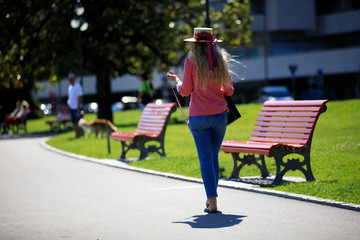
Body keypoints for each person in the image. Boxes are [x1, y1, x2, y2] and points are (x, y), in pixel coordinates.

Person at [167, 27, 234, 213]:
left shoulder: (190, 61)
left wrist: (177, 81)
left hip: (198, 117)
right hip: (220, 115)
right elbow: (229, 91)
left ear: (195, 45)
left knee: (205, 158)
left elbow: (185, 91)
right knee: (213, 157)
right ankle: (211, 200)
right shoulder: (221, 60)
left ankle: (212, 202)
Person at [67, 73, 83, 138]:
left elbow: (79, 97)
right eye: (69, 79)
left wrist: (78, 108)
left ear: (74, 79)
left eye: (71, 79)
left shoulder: (78, 86)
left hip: (77, 107)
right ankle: (77, 134)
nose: (70, 81)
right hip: (71, 107)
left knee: (78, 122)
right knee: (74, 122)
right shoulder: (70, 87)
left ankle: (79, 134)